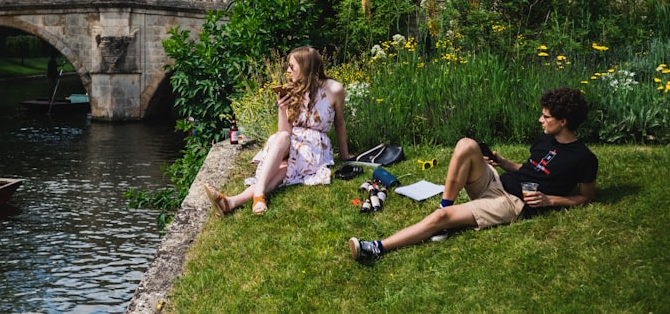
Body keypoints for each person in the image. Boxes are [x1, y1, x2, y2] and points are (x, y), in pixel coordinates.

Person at [349, 86, 598, 261]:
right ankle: (445, 206)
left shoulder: (583, 158)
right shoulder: (545, 139)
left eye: (546, 117)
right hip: (497, 184)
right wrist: (501, 161)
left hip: (512, 203)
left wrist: (549, 201)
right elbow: (529, 169)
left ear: (563, 121)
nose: (540, 120)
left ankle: (376, 248)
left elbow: (585, 197)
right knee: (467, 144)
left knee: (443, 217)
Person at [203, 46, 350, 215]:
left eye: (292, 66)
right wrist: (282, 109)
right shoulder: (292, 89)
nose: (288, 71)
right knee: (282, 138)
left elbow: (340, 123)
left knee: (284, 170)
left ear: (306, 67)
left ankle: (232, 201)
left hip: (314, 146)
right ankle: (257, 195)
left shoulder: (334, 89)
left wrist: (345, 155)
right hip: (289, 140)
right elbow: (285, 131)